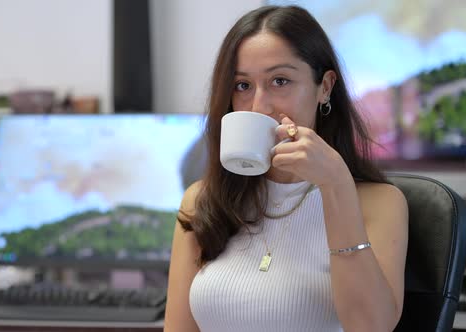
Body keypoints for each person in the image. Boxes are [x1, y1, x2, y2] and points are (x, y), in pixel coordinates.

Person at [164, 5, 409, 332]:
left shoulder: (379, 203)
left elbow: (371, 326)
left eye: (280, 81)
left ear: (325, 87)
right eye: (242, 86)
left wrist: (336, 186)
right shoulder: (203, 200)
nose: (259, 106)